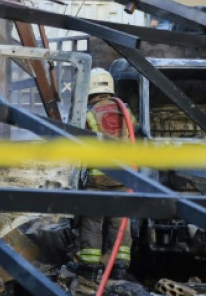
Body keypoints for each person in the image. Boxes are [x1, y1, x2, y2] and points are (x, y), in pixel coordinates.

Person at [75, 68, 136, 288]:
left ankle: (90, 271)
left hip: (97, 180)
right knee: (120, 225)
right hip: (124, 179)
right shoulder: (125, 110)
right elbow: (134, 131)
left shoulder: (89, 114)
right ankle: (119, 269)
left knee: (93, 223)